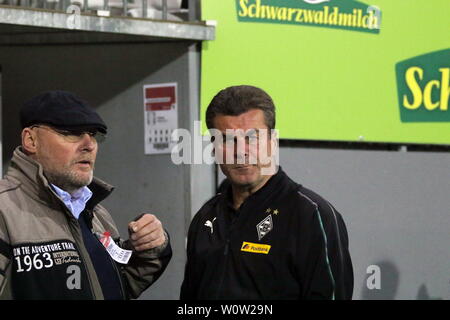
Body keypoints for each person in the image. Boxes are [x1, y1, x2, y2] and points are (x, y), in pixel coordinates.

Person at [180, 85, 353, 300]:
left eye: (252, 138)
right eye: (227, 140)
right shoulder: (206, 217)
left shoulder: (313, 216)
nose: (241, 151)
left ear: (273, 141)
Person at [0, 90, 172, 299]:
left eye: (93, 134)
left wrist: (148, 248)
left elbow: (119, 286)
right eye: (71, 133)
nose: (89, 145)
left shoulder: (96, 213)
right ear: (31, 140)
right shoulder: (5, 210)